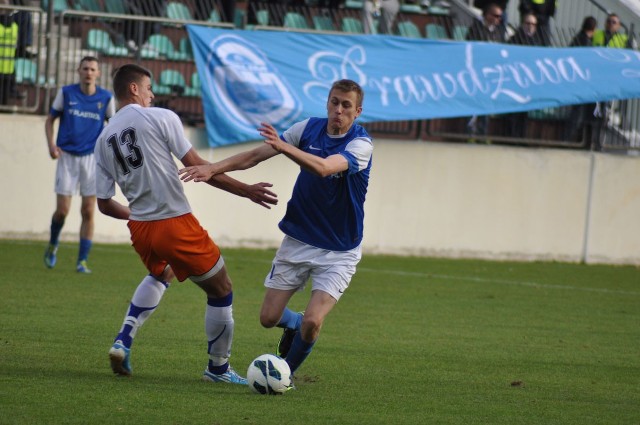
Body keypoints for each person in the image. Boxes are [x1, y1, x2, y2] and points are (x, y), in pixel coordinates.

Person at [94, 63, 278, 383]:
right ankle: (218, 369)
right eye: (148, 87)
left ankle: (123, 339)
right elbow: (199, 168)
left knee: (161, 272)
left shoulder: (103, 138)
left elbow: (104, 203)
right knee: (221, 290)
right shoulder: (160, 117)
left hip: (141, 230)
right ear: (134, 89)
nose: (152, 94)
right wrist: (246, 190)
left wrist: (137, 216)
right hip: (174, 222)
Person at [179, 79, 373, 380]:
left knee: (313, 322)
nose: (338, 110)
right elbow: (254, 156)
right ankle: (292, 325)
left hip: (339, 250)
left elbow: (323, 168)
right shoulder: (308, 128)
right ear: (327, 102)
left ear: (357, 111)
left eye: (346, 105)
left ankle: (284, 374)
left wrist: (283, 145)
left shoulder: (361, 145)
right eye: (334, 102)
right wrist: (212, 169)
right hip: (298, 238)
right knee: (268, 318)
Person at [44, 56, 115, 273]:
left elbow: (113, 127)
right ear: (78, 70)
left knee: (88, 210)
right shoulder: (66, 93)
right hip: (66, 157)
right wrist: (51, 145)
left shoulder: (106, 97)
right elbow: (50, 120)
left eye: (93, 69)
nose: (89, 72)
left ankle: (82, 261)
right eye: (85, 68)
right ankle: (53, 244)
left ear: (98, 73)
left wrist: (108, 155)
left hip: (91, 159)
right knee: (62, 211)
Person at [466, 3, 506, 140]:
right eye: (495, 15)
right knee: (474, 104)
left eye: (499, 17)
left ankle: (483, 134)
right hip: (476, 72)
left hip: (490, 74)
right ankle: (470, 133)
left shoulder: (499, 31)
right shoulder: (476, 28)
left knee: (486, 106)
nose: (497, 19)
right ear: (487, 15)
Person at [565, 16, 597, 146]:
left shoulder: (578, 38)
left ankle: (573, 139)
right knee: (578, 114)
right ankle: (571, 140)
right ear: (593, 29)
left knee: (578, 113)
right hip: (582, 83)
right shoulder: (586, 42)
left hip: (576, 81)